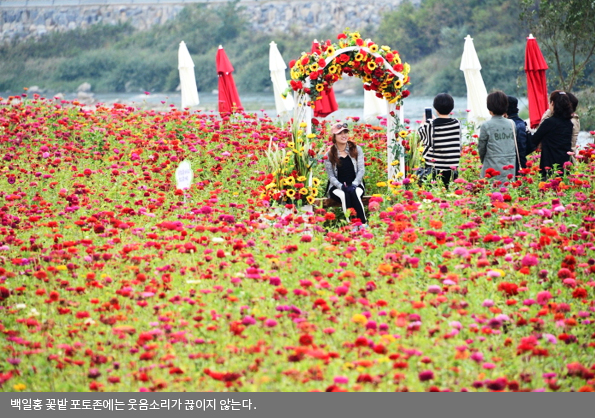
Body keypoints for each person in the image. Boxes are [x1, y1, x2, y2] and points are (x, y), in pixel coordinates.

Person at [324, 122, 367, 226]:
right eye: (340, 133)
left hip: (356, 184)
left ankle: (363, 223)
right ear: (334, 136)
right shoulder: (329, 154)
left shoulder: (356, 150)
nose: (344, 135)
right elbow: (331, 176)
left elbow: (361, 170)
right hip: (336, 187)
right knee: (344, 195)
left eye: (345, 132)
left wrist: (354, 184)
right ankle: (351, 225)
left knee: (354, 192)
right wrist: (341, 186)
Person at [417, 93, 461, 189]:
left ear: (435, 108)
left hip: (434, 171)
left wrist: (424, 121)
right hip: (452, 171)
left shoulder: (430, 125)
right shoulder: (457, 124)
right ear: (451, 108)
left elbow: (420, 135)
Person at [532, 90, 574, 179]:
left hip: (550, 165)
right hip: (565, 165)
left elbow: (534, 140)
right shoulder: (569, 123)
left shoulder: (549, 122)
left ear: (552, 103)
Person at [478, 91, 517, 182]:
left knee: (492, 191)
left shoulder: (486, 125)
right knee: (508, 190)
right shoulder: (511, 123)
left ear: (489, 107)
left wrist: (483, 159)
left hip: (492, 164)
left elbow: (481, 147)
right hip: (509, 165)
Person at [539, 91, 580, 161]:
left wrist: (550, 110)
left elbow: (540, 130)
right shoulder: (569, 119)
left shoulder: (570, 121)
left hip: (564, 158)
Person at [506, 96, 528, 174]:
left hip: (515, 165)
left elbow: (520, 148)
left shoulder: (512, 125)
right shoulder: (521, 123)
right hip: (520, 163)